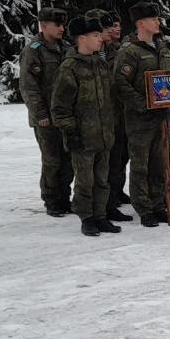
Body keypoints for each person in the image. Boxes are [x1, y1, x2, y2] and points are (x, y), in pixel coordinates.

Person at [50, 17, 122, 236]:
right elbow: (60, 107)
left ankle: (100, 215)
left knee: (102, 179)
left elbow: (110, 98)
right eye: (95, 35)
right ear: (82, 39)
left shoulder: (100, 65)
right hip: (83, 136)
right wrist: (70, 131)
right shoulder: (69, 68)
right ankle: (86, 217)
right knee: (85, 181)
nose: (100, 39)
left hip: (104, 134)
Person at [114, 2, 170, 227]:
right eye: (153, 19)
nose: (157, 23)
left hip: (162, 117)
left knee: (160, 164)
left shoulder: (163, 47)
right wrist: (143, 104)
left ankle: (160, 205)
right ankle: (144, 208)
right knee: (141, 166)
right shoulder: (130, 51)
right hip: (140, 119)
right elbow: (121, 84)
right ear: (141, 23)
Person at [19, 6, 72, 217]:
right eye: (57, 25)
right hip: (46, 116)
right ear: (44, 26)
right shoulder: (33, 50)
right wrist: (40, 114)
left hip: (64, 114)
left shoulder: (66, 48)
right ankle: (52, 199)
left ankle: (64, 196)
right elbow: (28, 86)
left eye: (63, 25)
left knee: (68, 158)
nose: (61, 28)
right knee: (52, 160)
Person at [85, 8, 134, 222]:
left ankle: (112, 200)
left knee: (117, 162)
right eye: (105, 27)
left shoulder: (116, 50)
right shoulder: (86, 54)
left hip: (118, 115)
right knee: (99, 168)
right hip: (96, 120)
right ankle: (97, 208)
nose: (111, 30)